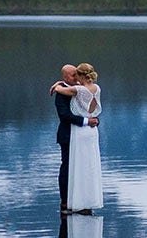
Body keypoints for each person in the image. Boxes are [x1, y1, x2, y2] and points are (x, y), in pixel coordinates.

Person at [50, 62, 103, 214]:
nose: (76, 77)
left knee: (83, 168)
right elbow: (64, 116)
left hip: (82, 135)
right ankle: (66, 201)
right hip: (68, 136)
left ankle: (82, 200)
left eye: (77, 74)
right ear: (65, 76)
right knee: (67, 168)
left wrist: (57, 85)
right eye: (73, 75)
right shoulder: (69, 92)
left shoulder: (78, 89)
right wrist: (88, 121)